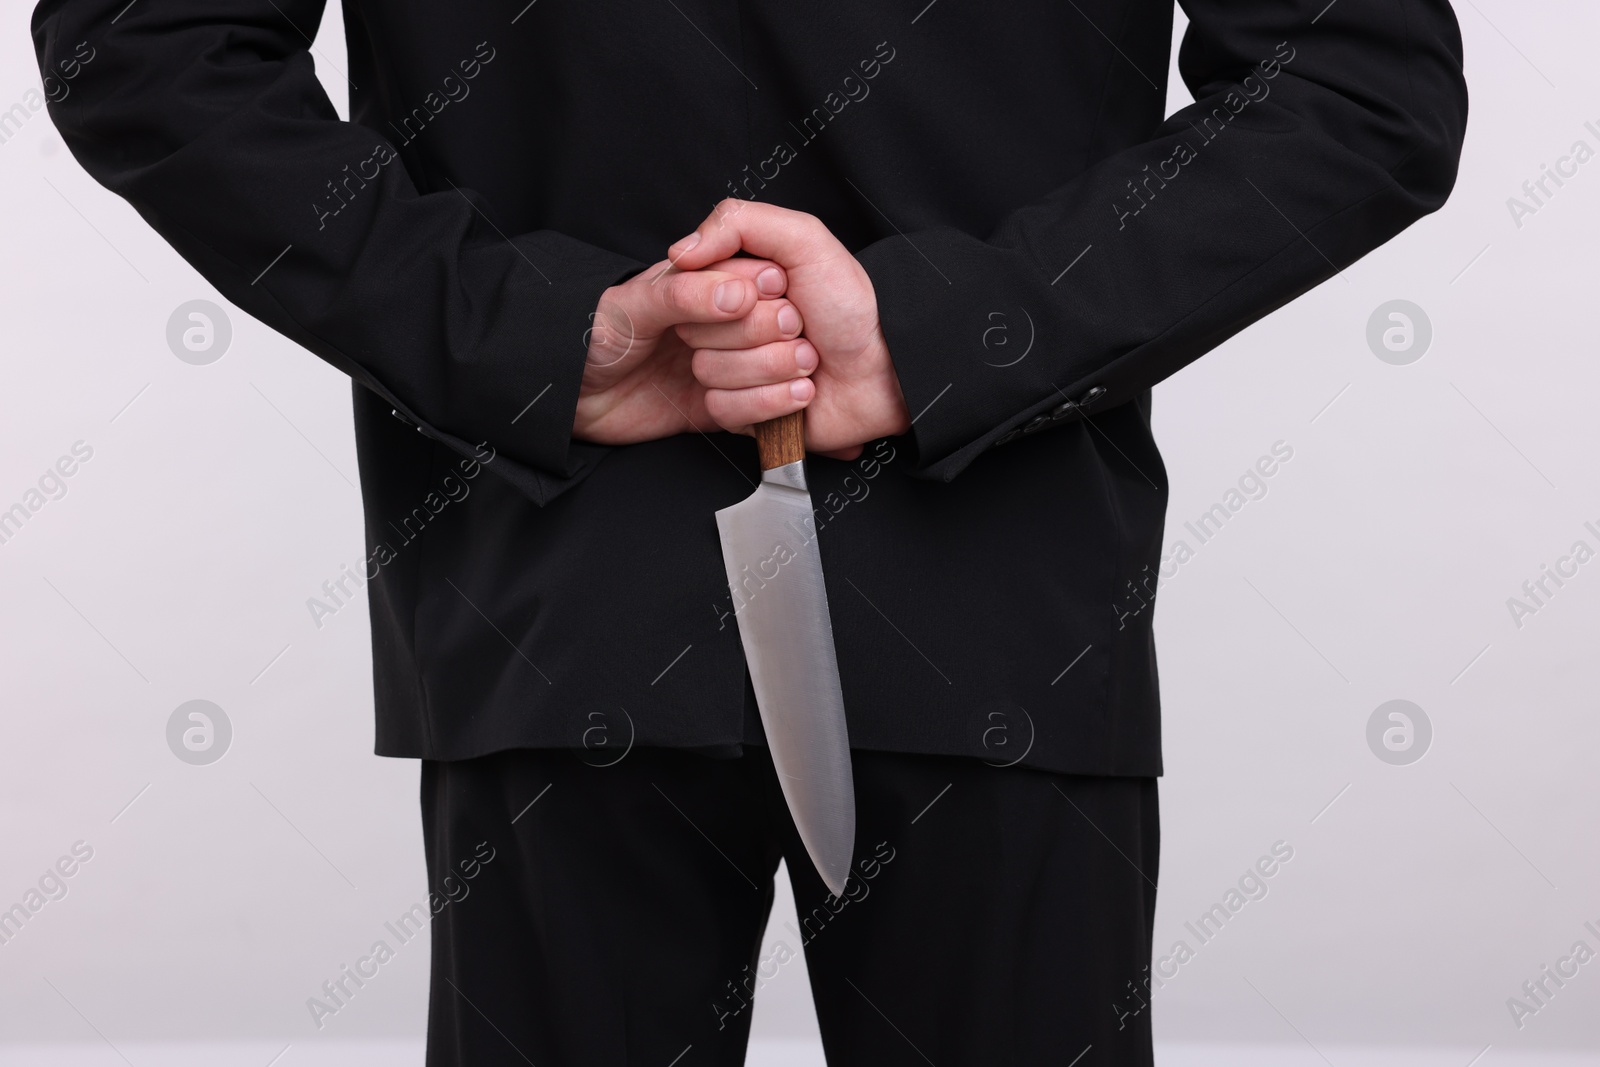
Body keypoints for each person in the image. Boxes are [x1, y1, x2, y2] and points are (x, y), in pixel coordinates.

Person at [33, 0, 1467, 1063]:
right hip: (976, 600)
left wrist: (533, 334)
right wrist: (955, 332)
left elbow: (146, 46)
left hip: (566, 595)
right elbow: (1357, 80)